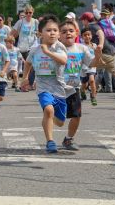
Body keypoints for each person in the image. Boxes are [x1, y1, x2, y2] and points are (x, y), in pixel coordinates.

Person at [21, 15, 68, 153]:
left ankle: (47, 119)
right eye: (48, 30)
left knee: (60, 122)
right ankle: (50, 141)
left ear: (59, 33)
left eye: (55, 30)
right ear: (40, 33)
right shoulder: (35, 50)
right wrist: (25, 77)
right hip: (43, 87)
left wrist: (48, 52)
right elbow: (28, 62)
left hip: (59, 88)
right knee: (48, 109)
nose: (52, 33)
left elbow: (63, 61)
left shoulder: (60, 47)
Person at [59, 20, 100, 150]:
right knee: (56, 118)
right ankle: (50, 139)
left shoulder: (81, 48)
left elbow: (92, 64)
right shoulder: (55, 48)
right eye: (64, 32)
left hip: (73, 88)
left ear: (76, 33)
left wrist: (98, 56)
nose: (68, 34)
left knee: (76, 115)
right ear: (59, 35)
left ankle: (69, 139)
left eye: (71, 31)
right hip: (56, 88)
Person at [80, 27, 98, 105]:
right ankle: (82, 92)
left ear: (91, 35)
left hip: (92, 66)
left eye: (89, 35)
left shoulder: (94, 45)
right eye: (85, 35)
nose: (87, 36)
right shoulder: (80, 46)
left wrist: (100, 61)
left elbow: (98, 55)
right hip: (83, 67)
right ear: (82, 37)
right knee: (84, 84)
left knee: (92, 80)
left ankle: (93, 97)